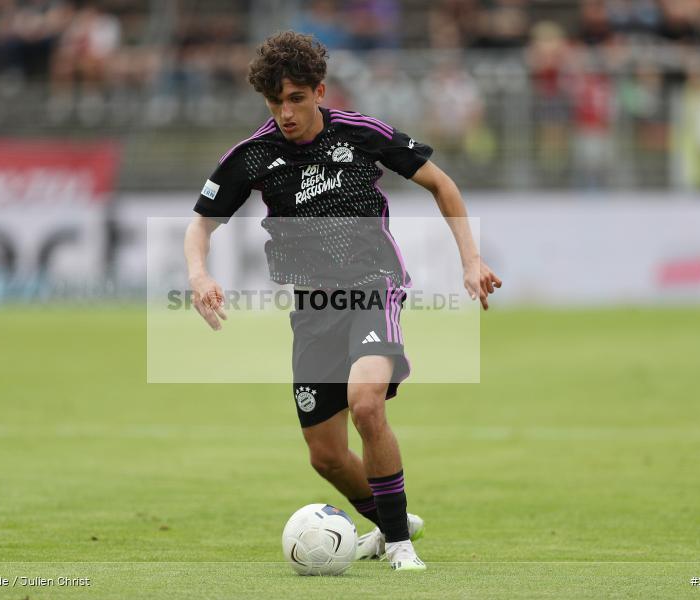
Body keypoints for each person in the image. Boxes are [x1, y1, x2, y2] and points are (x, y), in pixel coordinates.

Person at [184, 31, 501, 571]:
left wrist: (470, 260)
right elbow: (200, 224)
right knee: (326, 456)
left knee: (367, 403)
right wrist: (198, 274)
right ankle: (390, 520)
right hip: (313, 309)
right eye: (275, 102)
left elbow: (442, 184)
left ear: (320, 91)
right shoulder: (253, 155)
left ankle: (399, 545)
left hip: (374, 286)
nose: (286, 113)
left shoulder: (360, 133)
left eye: (296, 99)